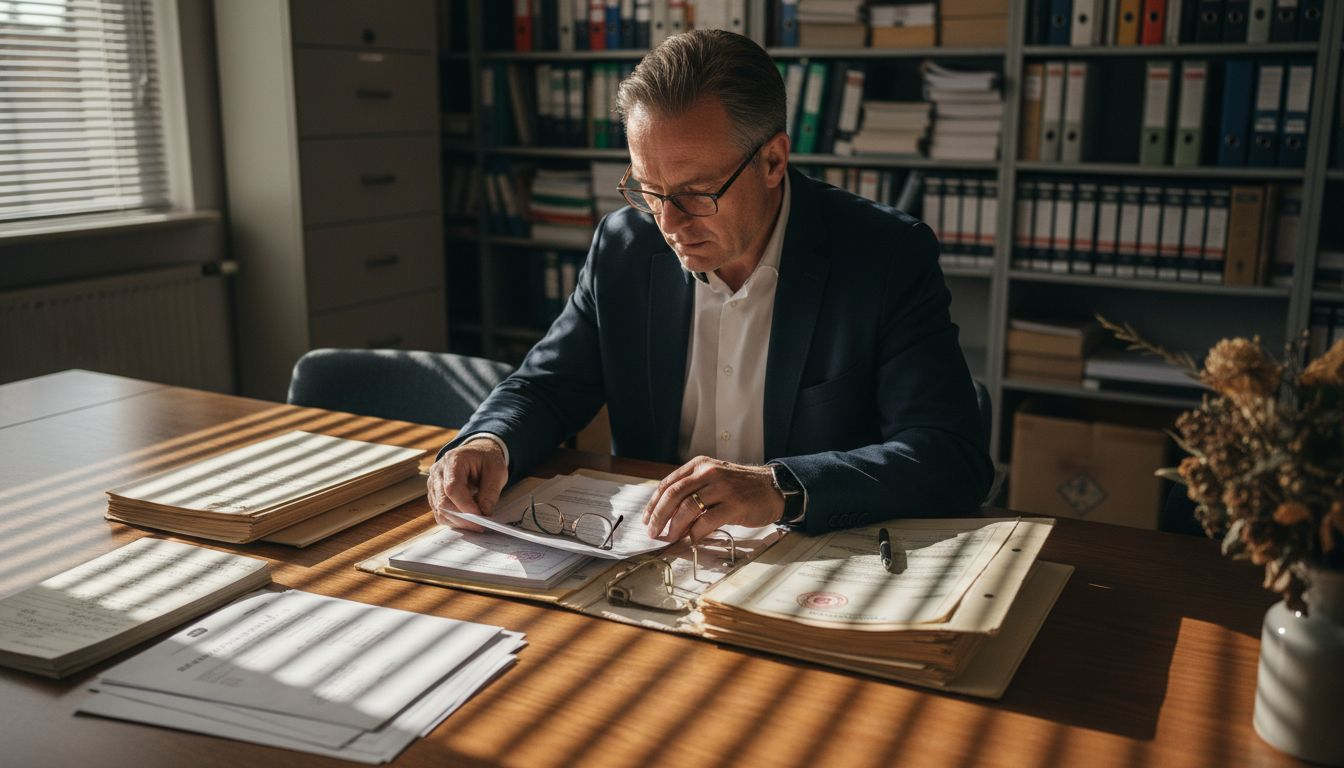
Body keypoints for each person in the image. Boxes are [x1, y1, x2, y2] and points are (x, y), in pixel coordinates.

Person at [428, 29, 991, 543]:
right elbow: (547, 386)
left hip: (816, 557)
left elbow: (948, 458)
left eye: (698, 192)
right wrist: (487, 442)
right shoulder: (625, 248)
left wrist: (780, 487)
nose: (668, 224)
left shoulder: (884, 256)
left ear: (773, 160)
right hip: (653, 553)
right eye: (649, 190)